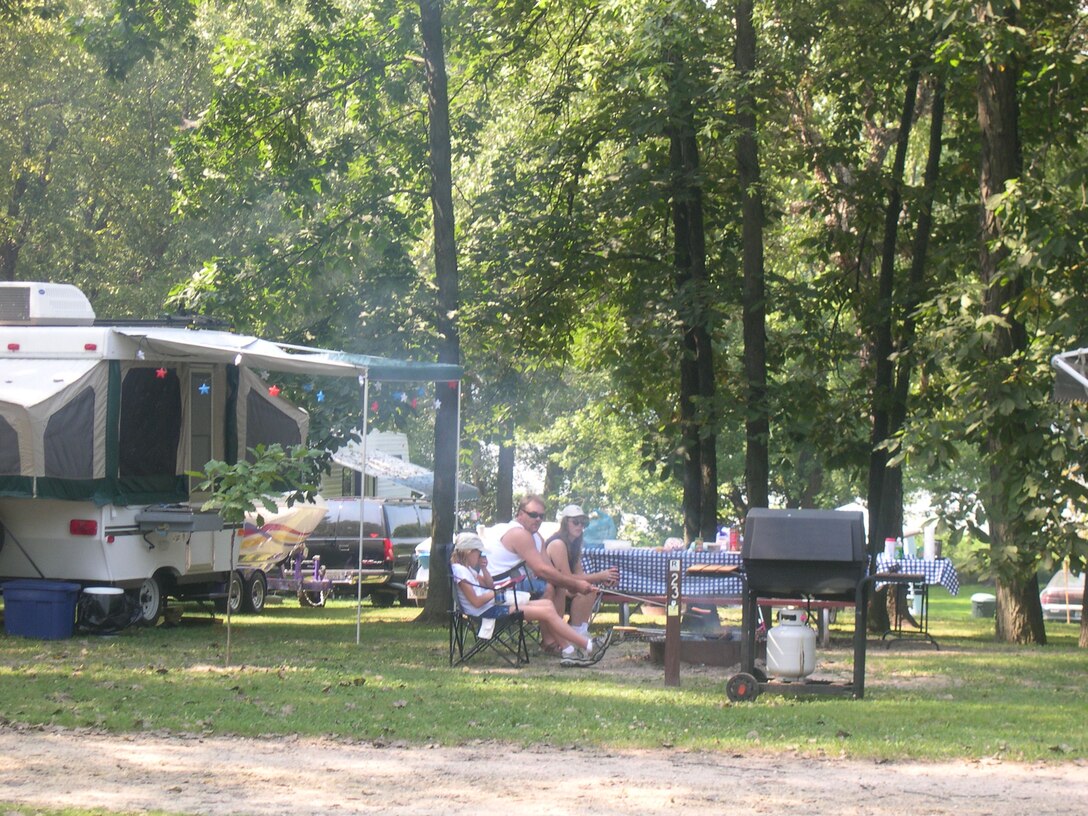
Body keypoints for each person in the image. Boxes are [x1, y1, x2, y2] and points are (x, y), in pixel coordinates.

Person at [450, 532, 612, 666]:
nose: (480, 556)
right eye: (479, 553)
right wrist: (499, 591)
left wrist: (484, 569)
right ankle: (587, 646)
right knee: (547, 612)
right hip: (488, 612)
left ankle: (569, 650)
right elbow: (477, 602)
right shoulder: (460, 572)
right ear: (469, 552)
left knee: (548, 604)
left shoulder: (468, 569)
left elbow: (488, 584)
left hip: (492, 605)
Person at [485, 494, 595, 603]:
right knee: (548, 588)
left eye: (541, 516)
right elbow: (541, 570)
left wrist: (569, 584)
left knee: (557, 585)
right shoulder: (519, 533)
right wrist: (574, 585)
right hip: (497, 587)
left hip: (516, 582)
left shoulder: (537, 537)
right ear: (520, 514)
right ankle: (553, 619)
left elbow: (549, 569)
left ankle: (561, 620)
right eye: (533, 514)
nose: (538, 519)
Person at [545, 504, 619, 642]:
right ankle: (575, 636)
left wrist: (603, 578)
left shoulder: (575, 544)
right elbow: (566, 578)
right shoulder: (557, 544)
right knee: (583, 590)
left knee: (590, 589)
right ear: (565, 523)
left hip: (562, 585)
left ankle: (579, 632)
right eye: (575, 522)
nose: (580, 526)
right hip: (551, 587)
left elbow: (579, 575)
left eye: (583, 523)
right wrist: (599, 576)